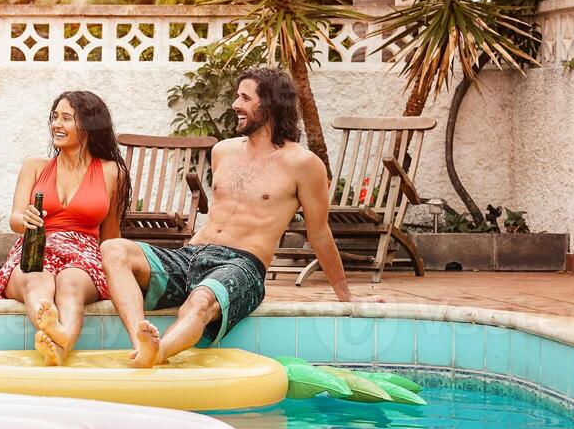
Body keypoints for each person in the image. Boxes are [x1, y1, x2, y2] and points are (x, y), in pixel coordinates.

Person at [102, 67, 387, 368]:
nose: (235, 105)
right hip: (192, 256)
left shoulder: (304, 164)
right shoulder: (223, 151)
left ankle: (156, 354)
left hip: (242, 265)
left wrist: (347, 296)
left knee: (200, 301)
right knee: (114, 249)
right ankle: (140, 344)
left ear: (271, 105)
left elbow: (319, 233)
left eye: (244, 98)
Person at [0, 91, 130, 365]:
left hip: (84, 255)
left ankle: (59, 344)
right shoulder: (35, 166)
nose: (56, 124)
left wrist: (119, 274)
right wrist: (26, 217)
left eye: (66, 118)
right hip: (37, 247)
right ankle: (58, 337)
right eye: (54, 117)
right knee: (35, 278)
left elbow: (111, 235)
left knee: (72, 284)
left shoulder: (113, 172)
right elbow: (16, 219)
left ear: (88, 125)